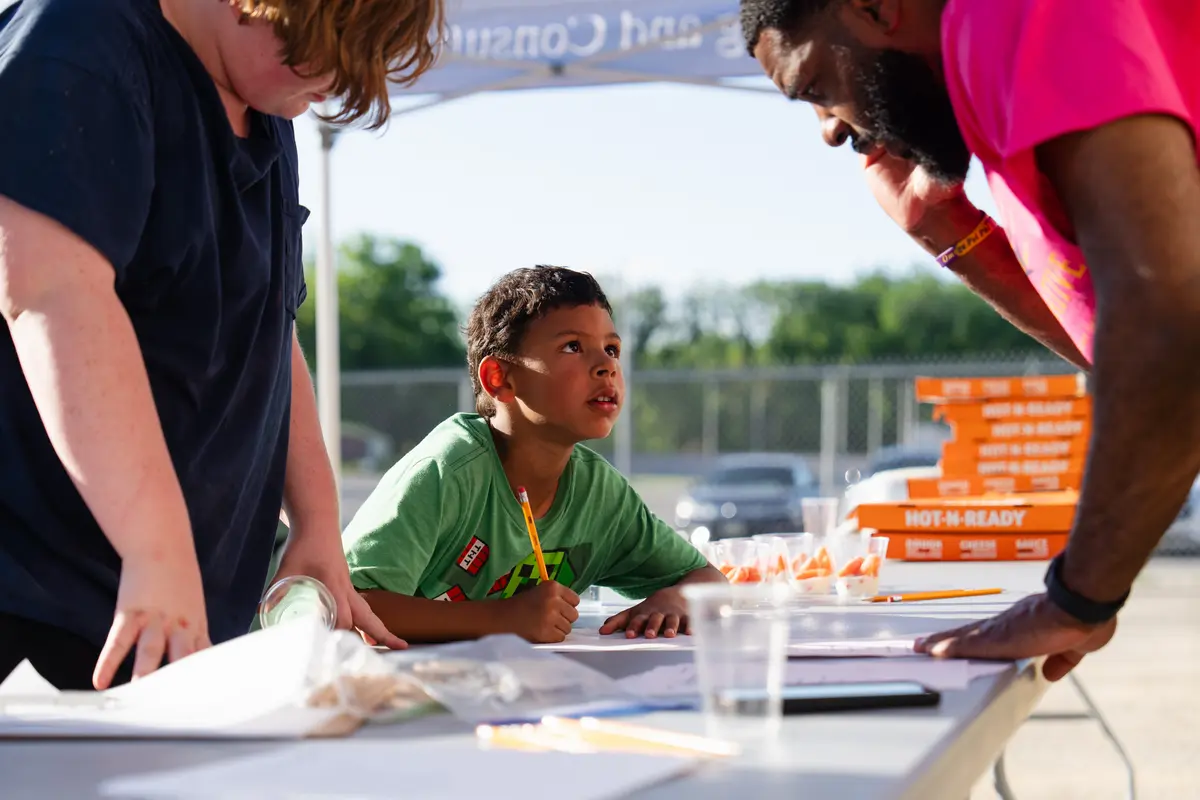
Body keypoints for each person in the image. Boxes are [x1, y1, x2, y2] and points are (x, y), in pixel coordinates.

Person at [739, 0, 1200, 680]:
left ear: (873, 7)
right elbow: (1134, 351)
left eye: (815, 88)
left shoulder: (1008, 18)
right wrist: (947, 234)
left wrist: (1077, 596)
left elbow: (1168, 341)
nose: (831, 131)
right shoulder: (996, 72)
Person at [0, 0, 443, 690]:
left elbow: (269, 325)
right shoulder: (81, 43)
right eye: (318, 55)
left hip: (165, 612)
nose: (327, 90)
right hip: (33, 600)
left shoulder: (267, 103)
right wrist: (157, 550)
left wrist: (318, 524)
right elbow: (50, 292)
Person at [342, 266, 725, 644]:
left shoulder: (600, 496)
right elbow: (349, 606)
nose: (607, 366)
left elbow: (707, 578)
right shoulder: (446, 471)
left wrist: (673, 599)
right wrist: (500, 619)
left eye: (612, 349)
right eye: (572, 346)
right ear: (500, 379)